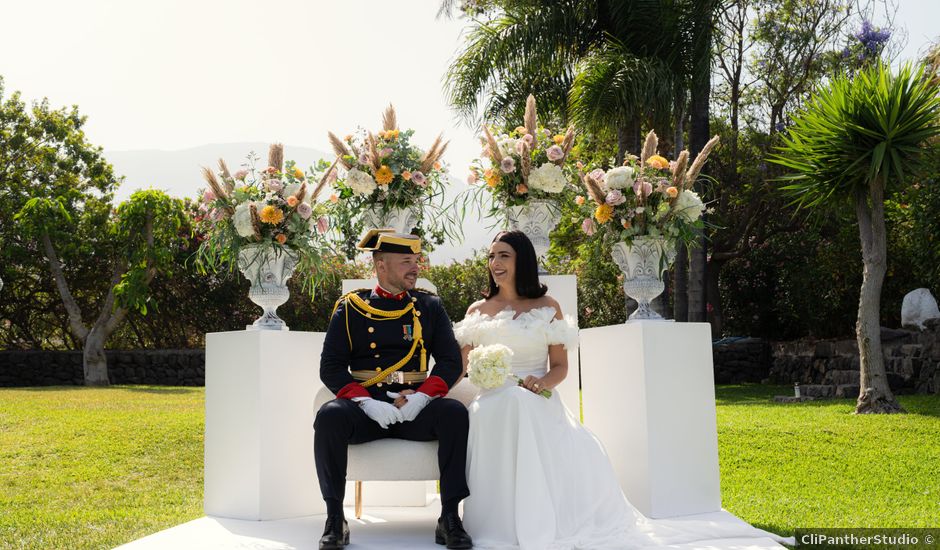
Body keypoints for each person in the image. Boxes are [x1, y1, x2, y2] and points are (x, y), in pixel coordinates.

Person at [454, 230, 793, 550]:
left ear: (522, 260)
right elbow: (458, 366)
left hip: (536, 398)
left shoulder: (547, 306)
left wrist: (540, 382)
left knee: (518, 403)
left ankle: (535, 521)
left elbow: (560, 368)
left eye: (504, 256)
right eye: (491, 256)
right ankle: (496, 524)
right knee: (503, 404)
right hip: (491, 402)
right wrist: (428, 392)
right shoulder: (476, 310)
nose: (495, 263)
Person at [314, 229, 473, 550]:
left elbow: (450, 361)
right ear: (381, 265)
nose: (415, 268)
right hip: (367, 411)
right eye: (406, 262)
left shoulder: (429, 307)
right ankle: (334, 517)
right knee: (329, 416)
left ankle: (449, 517)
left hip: (413, 404)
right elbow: (330, 367)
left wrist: (424, 396)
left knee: (454, 413)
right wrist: (365, 403)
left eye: (416, 261)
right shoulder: (351, 308)